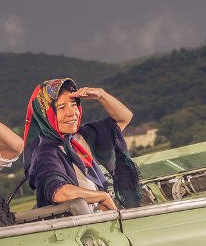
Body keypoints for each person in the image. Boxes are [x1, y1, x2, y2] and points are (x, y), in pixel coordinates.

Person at [22, 78, 140, 211]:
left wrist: (101, 95)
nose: (72, 113)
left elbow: (124, 118)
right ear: (46, 114)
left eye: (73, 104)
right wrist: (102, 196)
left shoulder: (79, 138)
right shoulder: (44, 153)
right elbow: (59, 193)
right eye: (61, 108)